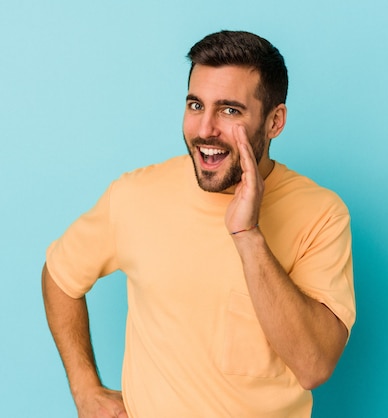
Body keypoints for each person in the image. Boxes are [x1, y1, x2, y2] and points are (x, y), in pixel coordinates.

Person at [42, 30, 356, 417]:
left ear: (275, 121)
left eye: (229, 111)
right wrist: (85, 388)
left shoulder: (322, 214)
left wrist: (248, 234)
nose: (205, 128)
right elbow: (59, 275)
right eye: (195, 105)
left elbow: (314, 365)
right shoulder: (136, 194)